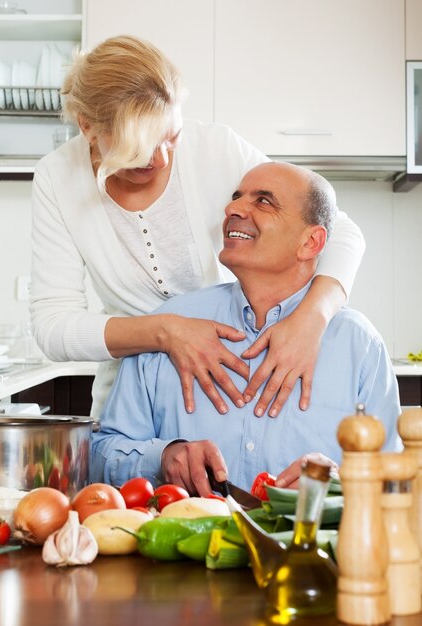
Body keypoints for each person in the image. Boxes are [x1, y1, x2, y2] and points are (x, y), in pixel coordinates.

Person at [30, 35, 365, 420]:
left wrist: (311, 318)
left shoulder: (215, 148)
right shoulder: (58, 178)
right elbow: (53, 327)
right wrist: (166, 331)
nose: (160, 159)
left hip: (231, 391)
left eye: (170, 137)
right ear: (87, 127)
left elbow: (339, 231)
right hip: (133, 410)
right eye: (138, 150)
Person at [90, 162, 400, 493]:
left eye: (263, 201)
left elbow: (394, 481)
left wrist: (343, 483)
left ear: (310, 242)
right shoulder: (170, 325)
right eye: (237, 197)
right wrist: (163, 457)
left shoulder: (358, 344)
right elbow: (98, 456)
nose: (233, 208)